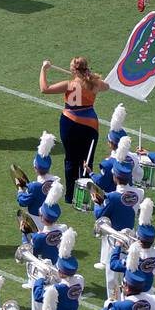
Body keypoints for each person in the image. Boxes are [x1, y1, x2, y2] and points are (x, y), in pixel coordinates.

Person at [40, 56, 109, 204]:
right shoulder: (94, 84)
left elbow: (44, 89)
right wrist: (91, 77)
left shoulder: (68, 84)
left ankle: (70, 196)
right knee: (87, 160)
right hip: (90, 124)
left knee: (71, 159)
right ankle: (85, 196)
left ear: (73, 69)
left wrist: (44, 69)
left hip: (69, 122)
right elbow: (107, 86)